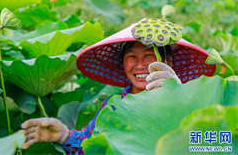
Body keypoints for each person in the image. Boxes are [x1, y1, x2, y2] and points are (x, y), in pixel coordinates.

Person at [21, 18, 216, 154]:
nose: (140, 65)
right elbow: (90, 146)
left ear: (168, 62)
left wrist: (175, 99)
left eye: (149, 55)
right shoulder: (114, 106)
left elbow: (211, 144)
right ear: (122, 63)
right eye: (132, 57)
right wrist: (62, 135)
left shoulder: (193, 103)